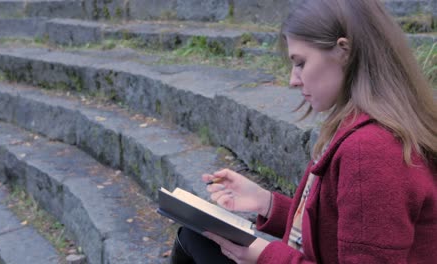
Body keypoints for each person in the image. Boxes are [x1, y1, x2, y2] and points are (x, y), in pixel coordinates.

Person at [169, 0, 437, 263]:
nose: (293, 80)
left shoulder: (371, 149)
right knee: (196, 236)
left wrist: (263, 255)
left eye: (300, 63)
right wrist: (265, 203)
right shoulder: (363, 128)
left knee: (195, 239)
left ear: (344, 52)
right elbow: (338, 234)